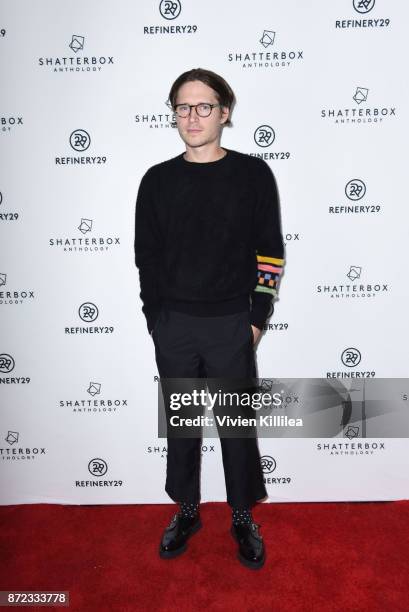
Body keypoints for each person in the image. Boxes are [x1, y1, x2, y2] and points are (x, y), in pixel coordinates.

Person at [134, 67, 285, 570]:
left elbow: (270, 253)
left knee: (237, 428)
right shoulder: (156, 180)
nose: (191, 116)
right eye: (181, 106)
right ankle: (189, 511)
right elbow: (147, 257)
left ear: (225, 113)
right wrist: (155, 317)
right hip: (173, 323)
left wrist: (257, 318)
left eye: (203, 107)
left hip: (230, 323)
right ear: (173, 113)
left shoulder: (253, 174)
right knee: (182, 426)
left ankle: (242, 516)